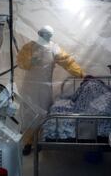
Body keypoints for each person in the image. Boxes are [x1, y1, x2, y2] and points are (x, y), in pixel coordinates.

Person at [17, 25, 85, 154]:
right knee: (28, 114)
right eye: (44, 34)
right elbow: (21, 62)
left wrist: (81, 74)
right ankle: (28, 142)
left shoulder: (54, 48)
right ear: (39, 33)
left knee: (43, 113)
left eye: (48, 34)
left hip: (44, 87)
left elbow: (68, 62)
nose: (46, 36)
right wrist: (31, 60)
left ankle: (40, 141)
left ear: (51, 36)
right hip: (29, 87)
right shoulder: (29, 47)